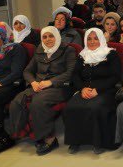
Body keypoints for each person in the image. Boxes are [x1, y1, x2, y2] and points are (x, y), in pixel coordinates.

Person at [8, 27, 76, 155]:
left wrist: (50, 82)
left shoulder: (68, 50)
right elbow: (27, 71)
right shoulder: (39, 50)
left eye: (51, 36)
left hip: (60, 87)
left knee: (38, 102)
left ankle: (50, 138)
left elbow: (70, 72)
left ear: (57, 36)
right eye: (44, 37)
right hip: (38, 85)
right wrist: (33, 82)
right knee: (17, 101)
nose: (48, 39)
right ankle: (24, 132)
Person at [63, 28, 121, 154]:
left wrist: (98, 90)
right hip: (85, 89)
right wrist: (82, 88)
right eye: (89, 39)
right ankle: (75, 141)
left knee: (95, 107)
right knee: (71, 107)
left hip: (106, 90)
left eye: (95, 38)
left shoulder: (111, 54)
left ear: (101, 39)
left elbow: (115, 76)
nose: (92, 41)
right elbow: (75, 76)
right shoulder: (82, 55)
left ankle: (98, 142)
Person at [0, 23, 27, 154]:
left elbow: (17, 73)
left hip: (12, 84)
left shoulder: (16, 49)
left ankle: (2, 136)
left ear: (4, 35)